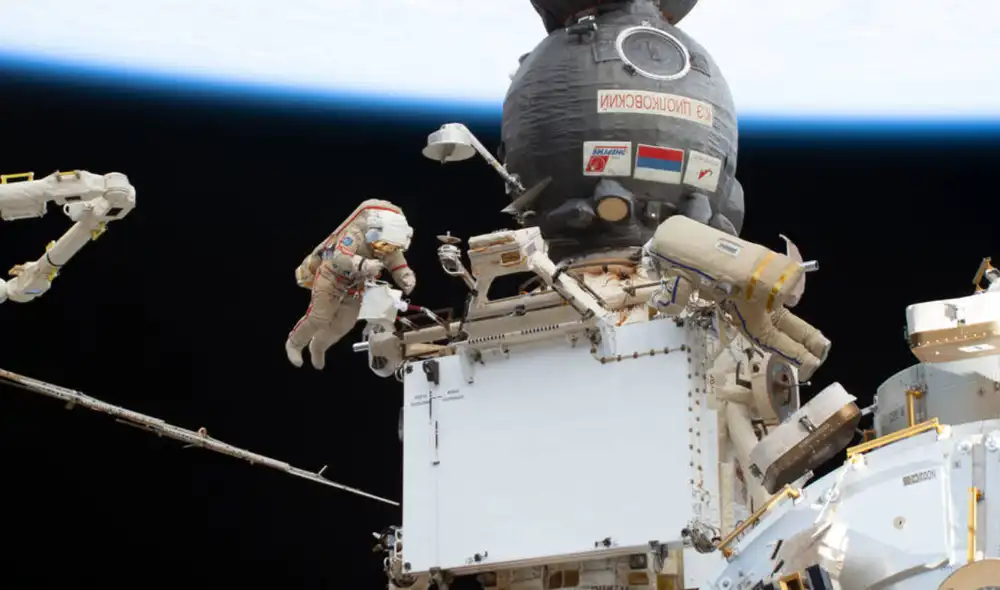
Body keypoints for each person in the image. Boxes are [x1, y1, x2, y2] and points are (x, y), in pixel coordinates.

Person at [286, 199, 416, 370]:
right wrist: (363, 264)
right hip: (331, 278)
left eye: (390, 247)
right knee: (320, 317)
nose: (384, 250)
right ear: (375, 231)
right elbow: (340, 255)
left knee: (343, 325)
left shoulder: (388, 244)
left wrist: (406, 276)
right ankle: (295, 343)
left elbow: (398, 263)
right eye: (383, 245)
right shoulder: (355, 233)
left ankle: (318, 346)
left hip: (356, 288)